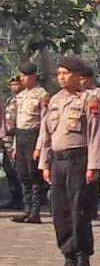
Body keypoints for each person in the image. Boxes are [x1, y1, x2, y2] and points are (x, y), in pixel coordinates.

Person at [39, 56, 100, 266]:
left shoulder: (89, 99)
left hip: (79, 160)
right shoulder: (55, 100)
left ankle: (83, 259)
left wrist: (94, 165)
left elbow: (96, 135)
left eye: (65, 73)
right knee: (60, 212)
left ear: (78, 76)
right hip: (58, 161)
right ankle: (69, 258)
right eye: (59, 74)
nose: (61, 77)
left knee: (79, 211)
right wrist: (44, 162)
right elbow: (46, 133)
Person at [12, 62, 49, 224]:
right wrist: (14, 145)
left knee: (34, 176)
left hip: (34, 135)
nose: (22, 78)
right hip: (20, 136)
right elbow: (17, 122)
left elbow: (45, 122)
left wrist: (39, 146)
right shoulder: (20, 95)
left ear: (33, 76)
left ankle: (35, 211)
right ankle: (27, 209)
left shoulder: (42, 94)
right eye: (21, 75)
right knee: (23, 174)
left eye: (25, 75)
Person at [79, 66, 100, 220]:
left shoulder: (98, 94)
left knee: (94, 175)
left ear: (89, 79)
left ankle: (93, 206)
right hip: (82, 141)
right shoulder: (79, 94)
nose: (81, 81)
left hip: (95, 139)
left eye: (83, 78)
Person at [1, 76, 24, 210]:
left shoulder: (23, 100)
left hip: (17, 139)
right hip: (7, 140)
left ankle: (22, 200)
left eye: (17, 84)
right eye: (12, 84)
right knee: (9, 169)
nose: (14, 86)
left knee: (18, 170)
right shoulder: (10, 100)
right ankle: (15, 198)